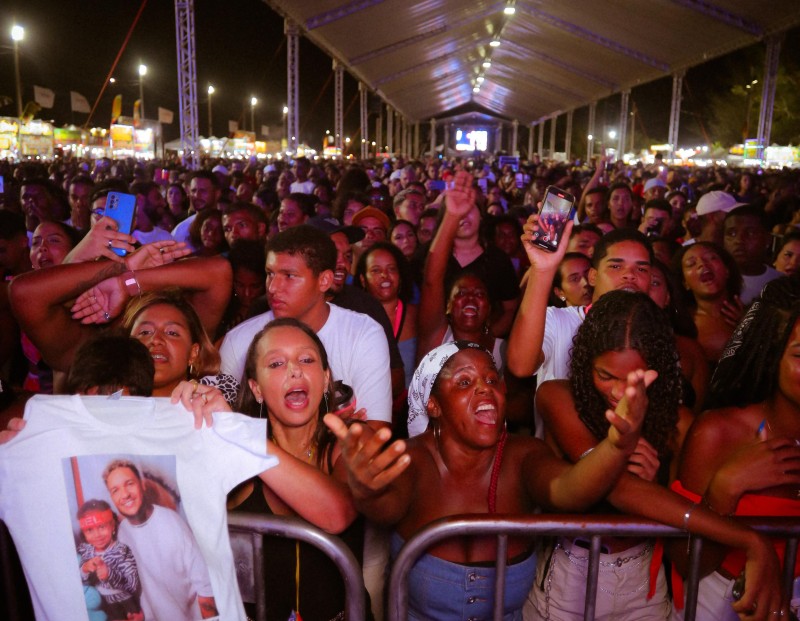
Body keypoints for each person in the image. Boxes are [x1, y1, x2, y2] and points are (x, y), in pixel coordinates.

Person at [326, 339, 653, 621]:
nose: (485, 388)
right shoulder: (414, 458)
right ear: (434, 405)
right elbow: (387, 507)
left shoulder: (522, 456)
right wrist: (366, 487)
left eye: (492, 380)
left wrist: (615, 448)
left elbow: (569, 490)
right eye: (465, 383)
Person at [525, 291, 783, 621]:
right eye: (606, 376)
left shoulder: (680, 423)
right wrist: (750, 540)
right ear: (585, 361)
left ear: (658, 369)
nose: (619, 392)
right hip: (572, 577)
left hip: (646, 581)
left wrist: (659, 485)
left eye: (635, 379)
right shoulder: (558, 397)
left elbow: (682, 537)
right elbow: (616, 487)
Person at [670, 279, 800, 620]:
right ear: (771, 356)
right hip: (719, 604)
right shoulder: (720, 433)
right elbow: (685, 561)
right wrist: (724, 488)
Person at [225, 318, 365, 621]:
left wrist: (242, 436)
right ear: (256, 388)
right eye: (276, 363)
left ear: (326, 379)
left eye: (306, 359)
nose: (294, 370)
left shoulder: (347, 442)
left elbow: (337, 512)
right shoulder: (232, 457)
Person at [355, 242, 418, 389]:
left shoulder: (417, 316)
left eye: (391, 269)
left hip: (411, 408)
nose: (385, 275)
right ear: (363, 279)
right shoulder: (353, 319)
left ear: (400, 276)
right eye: (376, 270)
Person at [674, 242, 743, 366]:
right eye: (691, 264)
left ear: (727, 270)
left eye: (711, 258)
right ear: (685, 283)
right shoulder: (679, 323)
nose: (702, 264)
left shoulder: (753, 315)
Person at [76, 499, 142, 620]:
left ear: (112, 526)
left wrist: (109, 574)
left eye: (101, 527)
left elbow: (133, 585)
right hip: (102, 604)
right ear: (84, 533)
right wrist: (84, 569)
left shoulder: (122, 551)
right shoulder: (85, 550)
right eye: (90, 530)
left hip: (124, 603)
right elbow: (79, 583)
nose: (97, 535)